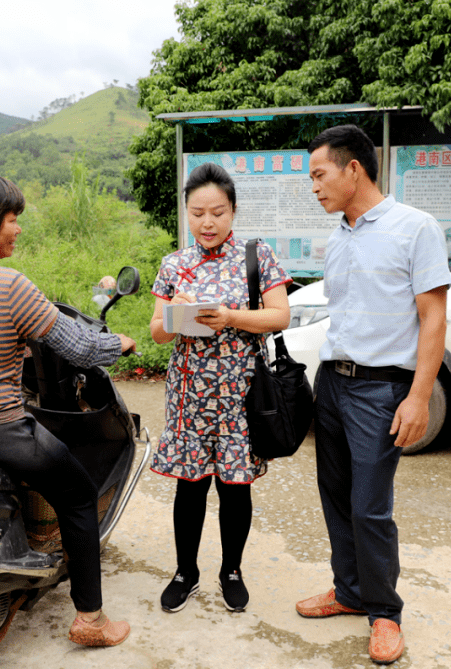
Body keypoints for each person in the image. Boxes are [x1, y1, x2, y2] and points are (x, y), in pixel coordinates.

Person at [0, 173, 137, 648]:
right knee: (77, 495)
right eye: (13, 219)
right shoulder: (8, 283)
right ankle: (91, 620)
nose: (18, 229)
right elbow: (78, 347)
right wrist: (120, 343)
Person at [294, 125, 451, 664]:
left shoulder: (415, 228)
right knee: (335, 497)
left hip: (382, 390)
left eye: (319, 175)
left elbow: (433, 318)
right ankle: (349, 592)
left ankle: (384, 612)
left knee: (370, 508)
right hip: (333, 383)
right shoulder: (340, 234)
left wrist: (419, 397)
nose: (313, 186)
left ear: (352, 168)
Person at [149, 162, 291, 613]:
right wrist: (176, 312)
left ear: (232, 212)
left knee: (235, 489)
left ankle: (232, 570)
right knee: (189, 489)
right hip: (189, 399)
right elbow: (156, 332)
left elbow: (279, 316)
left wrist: (229, 317)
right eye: (197, 213)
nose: (207, 223)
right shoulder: (174, 264)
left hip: (239, 398)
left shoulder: (256, 257)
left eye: (217, 212)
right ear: (187, 213)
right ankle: (185, 572)